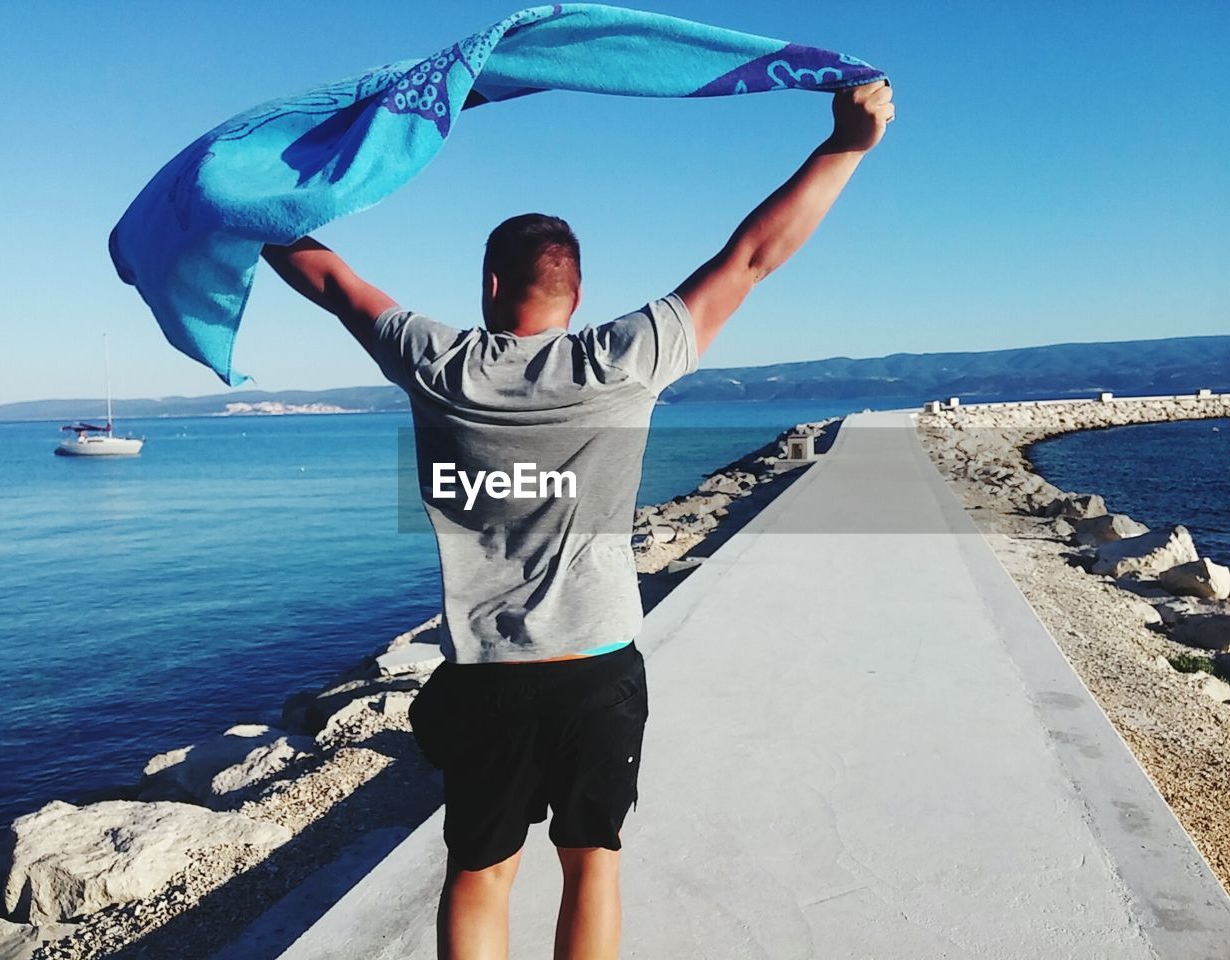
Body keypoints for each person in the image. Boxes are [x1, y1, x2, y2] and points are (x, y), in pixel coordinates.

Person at [262, 78, 893, 960]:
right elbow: (752, 256)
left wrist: (243, 205)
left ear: (490, 282)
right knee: (592, 862)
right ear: (579, 289)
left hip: (488, 675)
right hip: (598, 664)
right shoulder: (623, 360)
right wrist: (846, 146)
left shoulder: (440, 363)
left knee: (481, 875)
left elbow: (330, 280)